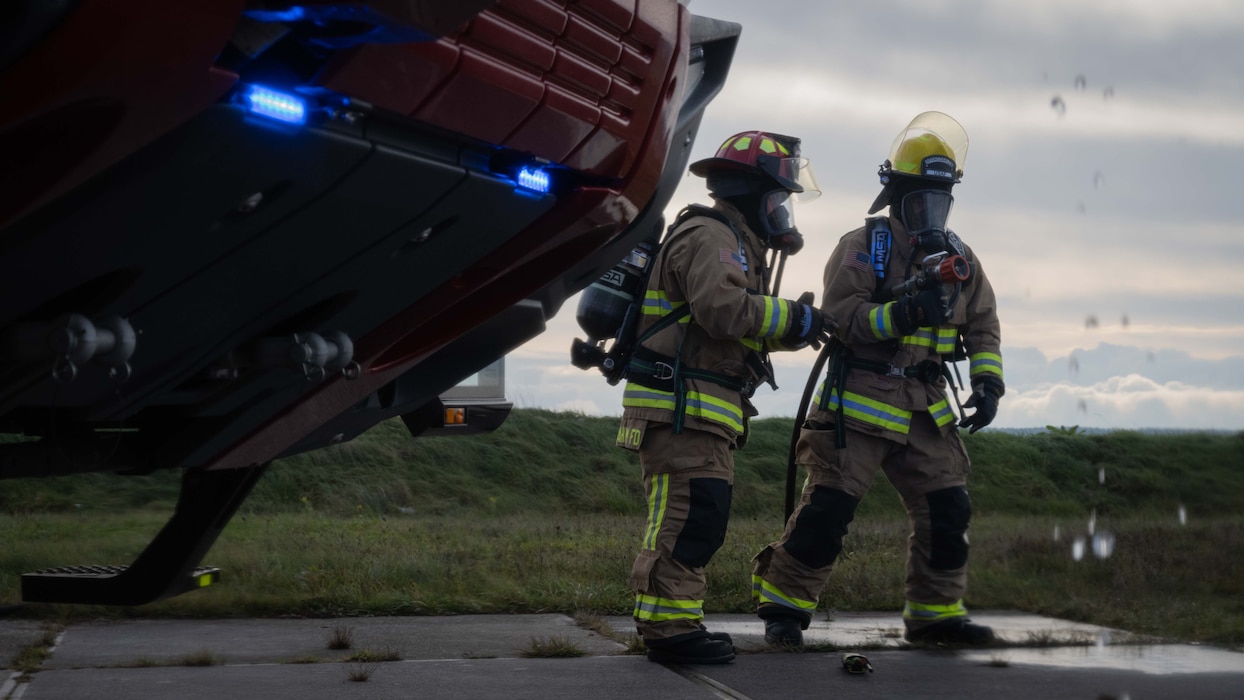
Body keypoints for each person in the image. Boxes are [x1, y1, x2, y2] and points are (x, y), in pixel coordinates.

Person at [750, 112, 1005, 647]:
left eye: (940, 201)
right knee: (828, 511)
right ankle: (784, 611)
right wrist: (904, 315)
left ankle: (936, 616)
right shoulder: (864, 247)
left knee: (948, 508)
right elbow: (843, 317)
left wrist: (987, 385)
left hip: (926, 408)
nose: (930, 213)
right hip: (859, 406)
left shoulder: (961, 258)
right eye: (921, 200)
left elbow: (983, 325)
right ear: (896, 198)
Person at [617, 131, 835, 665]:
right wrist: (793, 316)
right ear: (752, 193)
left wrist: (798, 327)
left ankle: (672, 623)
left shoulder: (733, 243)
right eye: (778, 199)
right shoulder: (711, 235)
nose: (782, 212)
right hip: (680, 408)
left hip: (700, 410)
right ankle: (669, 633)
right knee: (688, 518)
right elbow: (722, 310)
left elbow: (733, 326)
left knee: (700, 517)